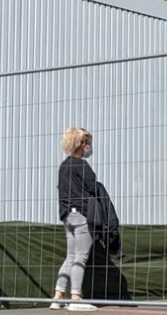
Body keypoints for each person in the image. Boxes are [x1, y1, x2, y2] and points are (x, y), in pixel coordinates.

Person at [52, 127, 98, 312]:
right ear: (83, 145)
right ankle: (76, 298)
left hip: (67, 216)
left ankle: (57, 296)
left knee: (70, 256)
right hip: (81, 215)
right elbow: (93, 186)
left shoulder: (64, 166)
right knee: (80, 256)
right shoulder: (82, 166)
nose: (90, 148)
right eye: (88, 144)